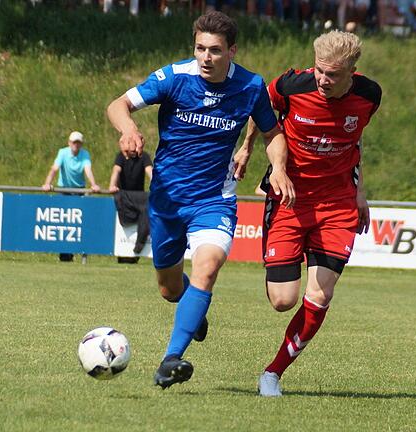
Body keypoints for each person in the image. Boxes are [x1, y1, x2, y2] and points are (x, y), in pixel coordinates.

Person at [106, 11, 294, 389]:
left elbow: (273, 133)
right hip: (167, 199)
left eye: (215, 50)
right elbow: (118, 105)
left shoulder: (250, 86)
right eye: (200, 49)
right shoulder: (175, 77)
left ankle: (170, 359)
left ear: (232, 51)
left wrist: (278, 167)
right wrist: (128, 130)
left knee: (208, 267)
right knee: (169, 288)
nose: (206, 57)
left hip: (214, 198)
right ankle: (192, 305)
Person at [243, 30, 381, 397]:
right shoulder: (292, 85)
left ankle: (272, 373)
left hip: (337, 204)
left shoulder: (369, 95)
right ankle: (283, 263)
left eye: (332, 74)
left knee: (320, 295)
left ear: (353, 71)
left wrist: (360, 192)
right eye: (320, 70)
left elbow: (355, 140)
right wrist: (248, 150)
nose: (322, 79)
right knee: (282, 300)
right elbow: (261, 107)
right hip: (290, 199)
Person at [42, 131, 102, 262]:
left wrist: (93, 184)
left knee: (78, 222)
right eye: (74, 142)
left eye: (78, 143)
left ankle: (79, 252)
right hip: (63, 190)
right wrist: (47, 183)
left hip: (78, 190)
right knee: (63, 222)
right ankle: (64, 254)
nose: (76, 145)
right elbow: (54, 168)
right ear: (69, 143)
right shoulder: (63, 152)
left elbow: (87, 170)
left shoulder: (84, 154)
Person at [110, 151, 153, 259]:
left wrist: (157, 186)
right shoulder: (120, 156)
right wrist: (112, 185)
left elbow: (150, 171)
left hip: (139, 198)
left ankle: (139, 245)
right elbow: (116, 170)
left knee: (147, 207)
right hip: (124, 198)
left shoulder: (144, 156)